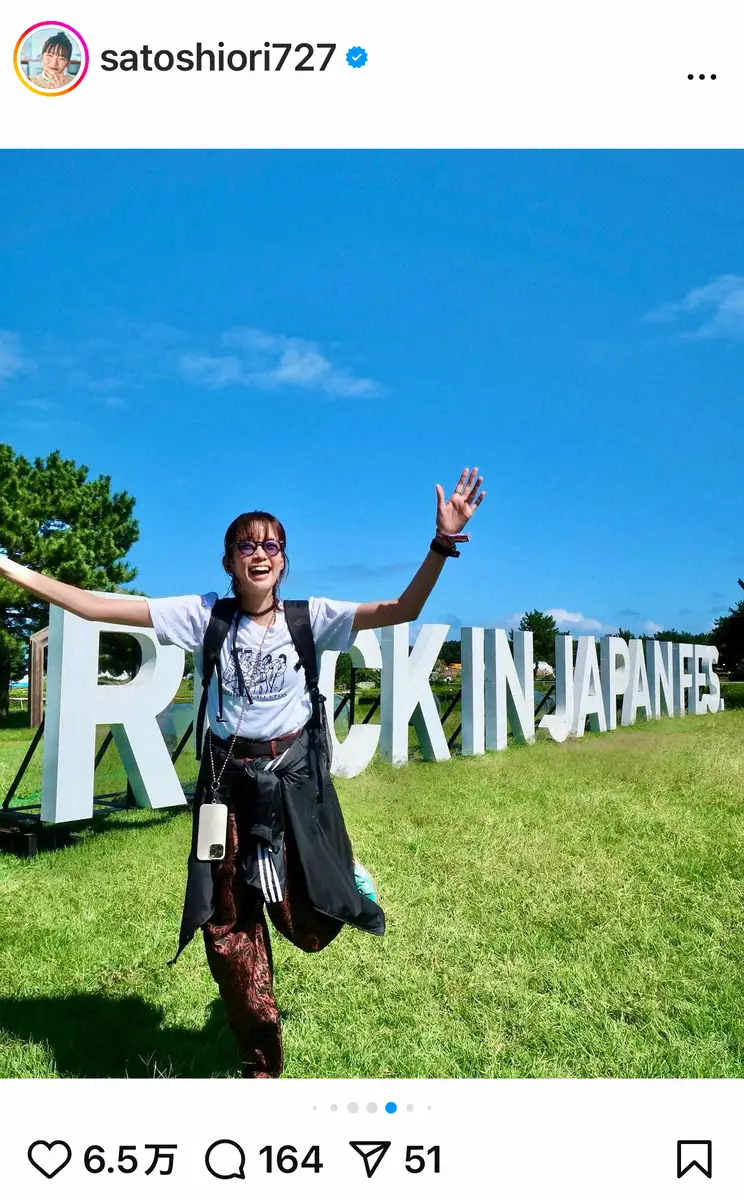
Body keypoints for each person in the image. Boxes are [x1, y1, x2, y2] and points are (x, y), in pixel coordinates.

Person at [0, 467, 485, 1076]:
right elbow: (98, 605)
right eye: (246, 545)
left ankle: (336, 868)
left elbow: (402, 608)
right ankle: (259, 1062)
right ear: (228, 561)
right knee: (225, 921)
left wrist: (442, 543)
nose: (259, 553)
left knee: (305, 921)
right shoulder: (204, 615)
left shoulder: (313, 617)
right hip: (226, 787)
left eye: (271, 545)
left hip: (292, 783)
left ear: (284, 561)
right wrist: (14, 569)